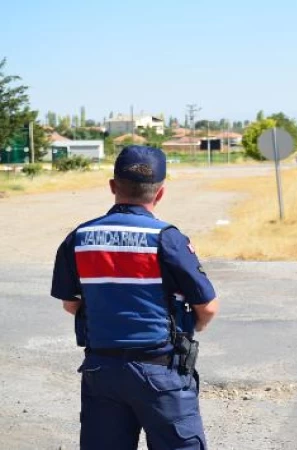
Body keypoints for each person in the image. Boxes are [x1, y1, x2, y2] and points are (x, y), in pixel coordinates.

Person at [51, 145, 219, 450]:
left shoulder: (79, 237)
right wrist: (193, 326)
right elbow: (207, 306)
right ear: (160, 193)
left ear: (113, 186)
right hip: (162, 373)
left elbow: (70, 303)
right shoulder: (167, 238)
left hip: (101, 371)